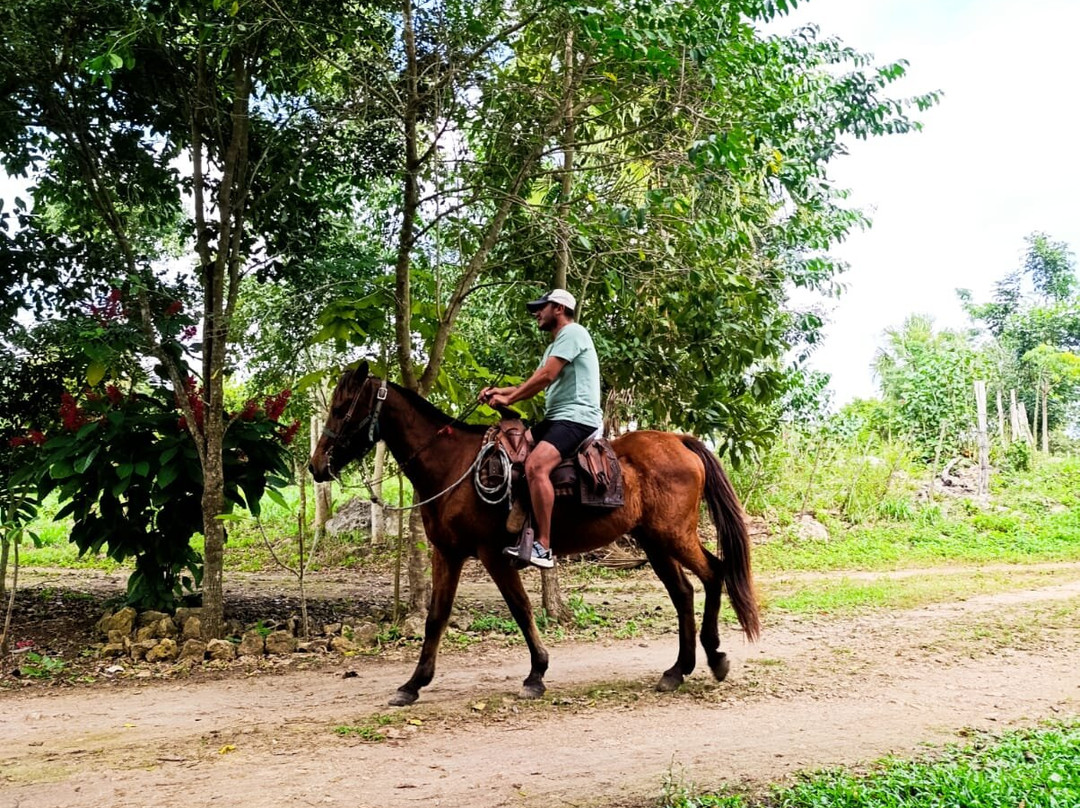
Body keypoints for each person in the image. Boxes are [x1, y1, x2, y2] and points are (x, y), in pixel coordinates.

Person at [478, 288, 603, 569]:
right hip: (556, 418)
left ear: (558, 308)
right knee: (513, 453)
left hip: (578, 417)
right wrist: (502, 391)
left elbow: (547, 376)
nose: (536, 313)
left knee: (535, 466)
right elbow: (535, 381)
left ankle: (544, 546)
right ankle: (518, 523)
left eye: (541, 307)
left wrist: (510, 398)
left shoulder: (573, 333)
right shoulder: (554, 345)